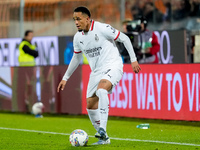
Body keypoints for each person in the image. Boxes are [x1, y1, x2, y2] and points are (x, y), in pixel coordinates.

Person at [57, 6, 141, 145]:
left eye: (78, 19)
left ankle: (102, 127)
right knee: (90, 105)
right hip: (96, 71)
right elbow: (76, 58)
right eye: (74, 20)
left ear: (87, 18)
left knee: (101, 90)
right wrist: (65, 78)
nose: (76, 22)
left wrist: (133, 60)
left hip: (113, 65)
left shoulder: (103, 28)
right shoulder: (78, 37)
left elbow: (125, 38)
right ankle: (104, 138)